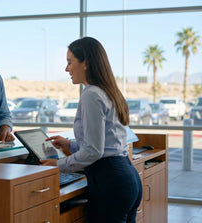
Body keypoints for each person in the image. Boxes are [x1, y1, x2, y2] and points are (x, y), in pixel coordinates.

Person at [40, 37, 142, 223]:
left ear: (85, 63)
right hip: (127, 177)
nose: (66, 69)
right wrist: (70, 145)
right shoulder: (108, 91)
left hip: (110, 182)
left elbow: (94, 151)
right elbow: (104, 143)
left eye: (70, 62)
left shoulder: (91, 95)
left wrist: (57, 166)